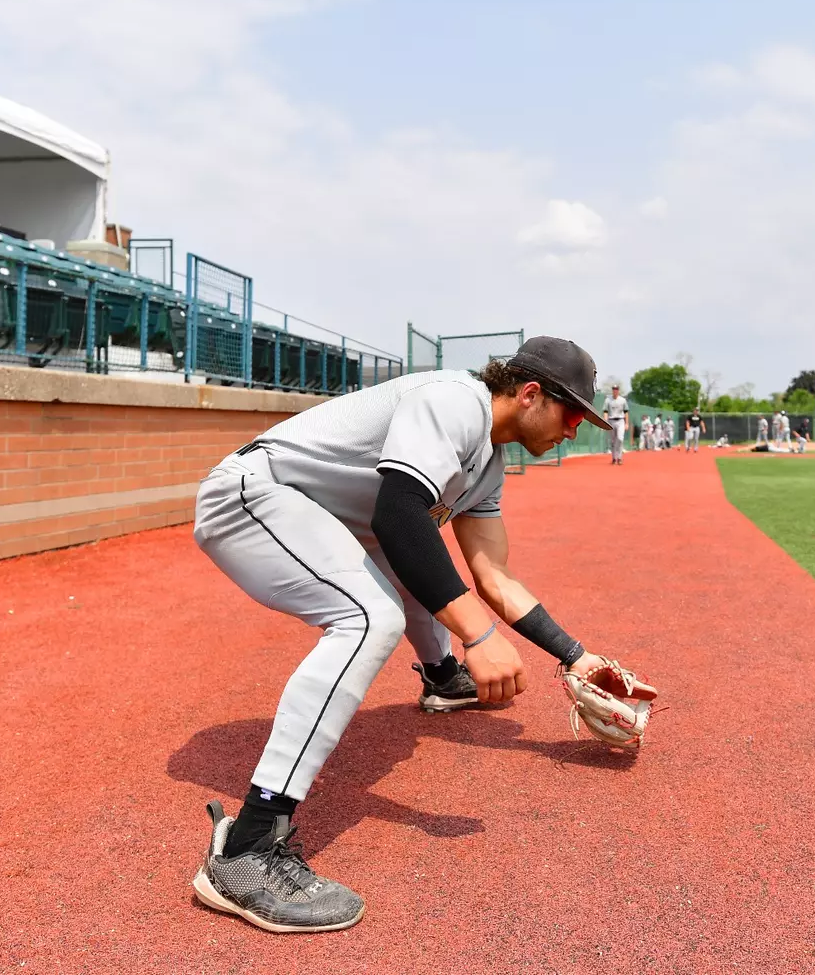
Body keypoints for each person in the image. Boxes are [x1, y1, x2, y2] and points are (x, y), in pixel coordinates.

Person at [189, 337, 615, 932]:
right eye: (574, 414)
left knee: (415, 569)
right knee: (370, 615)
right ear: (529, 394)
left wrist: (577, 657)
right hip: (254, 495)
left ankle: (444, 680)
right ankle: (247, 850)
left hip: (317, 515)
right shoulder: (453, 400)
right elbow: (398, 516)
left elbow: (492, 577)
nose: (575, 430)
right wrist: (478, 635)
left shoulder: (488, 465)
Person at [603, 383, 629, 464]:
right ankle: (614, 458)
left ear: (618, 391)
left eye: (616, 389)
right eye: (614, 389)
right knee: (613, 440)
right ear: (612, 390)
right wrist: (605, 422)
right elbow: (605, 411)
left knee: (620, 439)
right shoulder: (608, 400)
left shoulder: (623, 400)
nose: (615, 391)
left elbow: (626, 412)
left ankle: (620, 458)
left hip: (620, 420)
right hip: (611, 420)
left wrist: (627, 423)